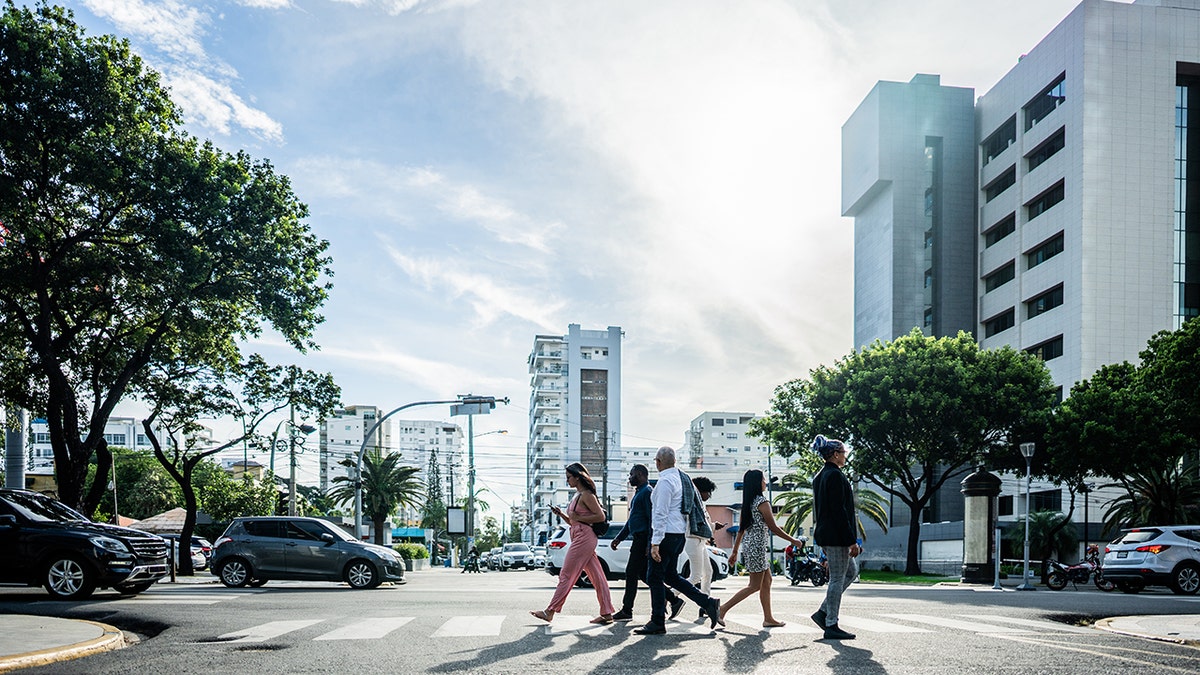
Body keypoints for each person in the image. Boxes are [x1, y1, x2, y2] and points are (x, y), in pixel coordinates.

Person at [634, 446, 724, 635]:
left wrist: (655, 543)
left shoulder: (665, 482)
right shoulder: (682, 480)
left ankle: (657, 621)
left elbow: (660, 513)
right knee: (671, 576)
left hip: (665, 535)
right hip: (678, 535)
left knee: (654, 577)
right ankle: (708, 602)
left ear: (658, 462)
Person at [717, 469, 807, 628]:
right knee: (754, 585)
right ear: (758, 483)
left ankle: (768, 618)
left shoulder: (749, 503)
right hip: (757, 547)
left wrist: (735, 551)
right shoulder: (762, 502)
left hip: (751, 545)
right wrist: (794, 541)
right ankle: (722, 609)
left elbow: (741, 529)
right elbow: (774, 528)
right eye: (764, 479)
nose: (765, 482)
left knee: (767, 581)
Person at [530, 463, 615, 625]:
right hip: (579, 535)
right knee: (597, 576)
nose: (567, 480)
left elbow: (600, 517)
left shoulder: (587, 495)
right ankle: (607, 612)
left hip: (584, 538)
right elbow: (573, 521)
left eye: (569, 477)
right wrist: (561, 514)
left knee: (567, 574)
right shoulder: (577, 496)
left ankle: (550, 611)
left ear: (578, 476)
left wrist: (578, 518)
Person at [609, 465, 683, 622]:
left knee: (631, 573)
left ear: (641, 475)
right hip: (638, 538)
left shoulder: (647, 492)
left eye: (632, 474)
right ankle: (674, 600)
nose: (629, 478)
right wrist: (619, 538)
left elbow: (652, 520)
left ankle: (627, 610)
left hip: (643, 539)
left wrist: (650, 544)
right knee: (644, 574)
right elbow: (632, 521)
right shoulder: (639, 493)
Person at [808, 435, 860, 640]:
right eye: (843, 453)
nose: (845, 457)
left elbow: (820, 510)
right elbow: (839, 511)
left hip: (827, 534)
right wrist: (851, 540)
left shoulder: (819, 476)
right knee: (838, 578)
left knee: (851, 571)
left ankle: (823, 612)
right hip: (837, 536)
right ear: (835, 454)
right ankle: (831, 623)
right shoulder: (836, 476)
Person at [684, 475, 724, 617]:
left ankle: (705, 605)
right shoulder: (693, 503)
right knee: (695, 576)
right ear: (700, 491)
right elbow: (693, 524)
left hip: (700, 540)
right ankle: (669, 595)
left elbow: (704, 525)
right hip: (693, 539)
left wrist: (713, 526)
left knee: (708, 572)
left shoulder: (701, 504)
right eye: (708, 492)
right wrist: (712, 526)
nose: (709, 495)